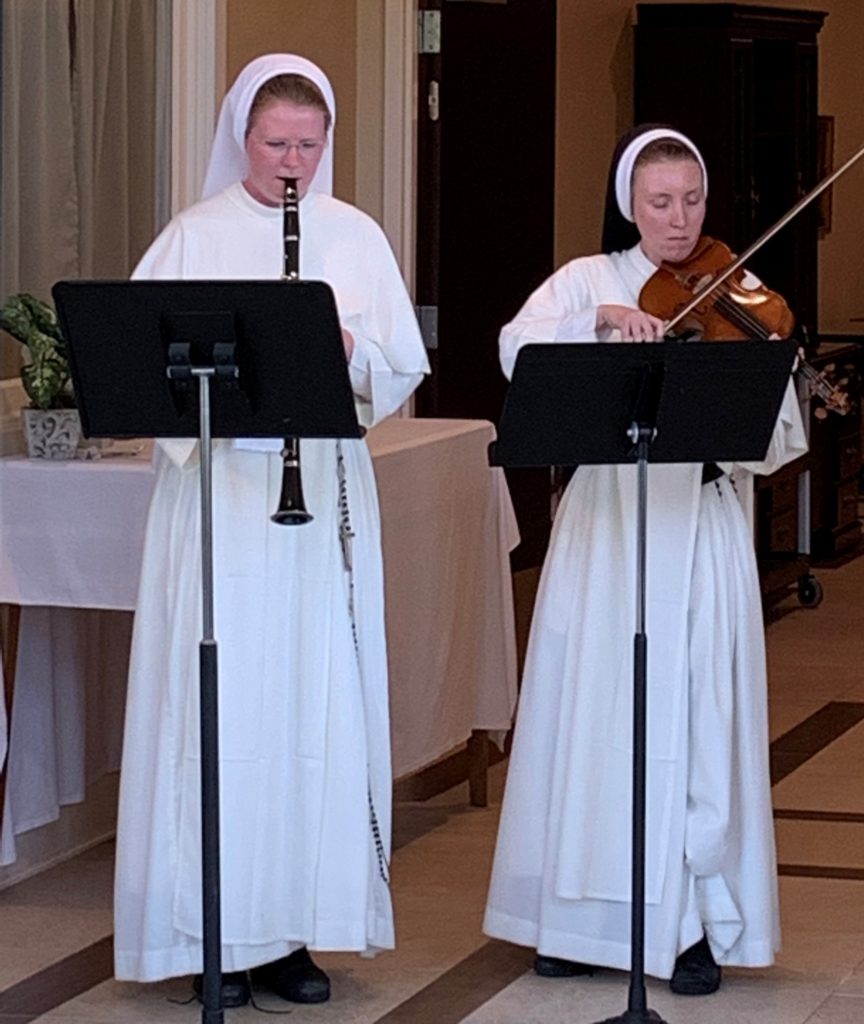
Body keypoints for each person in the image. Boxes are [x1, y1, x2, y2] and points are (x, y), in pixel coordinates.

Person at [113, 54, 429, 1007]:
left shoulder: (354, 235)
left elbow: (398, 366)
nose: (291, 161)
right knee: (223, 711)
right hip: (220, 500)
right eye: (273, 142)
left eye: (308, 143)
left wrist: (346, 348)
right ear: (240, 140)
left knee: (308, 708)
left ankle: (294, 931)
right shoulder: (194, 234)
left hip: (314, 497)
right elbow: (135, 364)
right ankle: (208, 929)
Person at [483, 125, 807, 995]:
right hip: (611, 531)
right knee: (592, 717)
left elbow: (776, 431)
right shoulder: (589, 278)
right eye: (660, 203)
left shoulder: (743, 291)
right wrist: (598, 318)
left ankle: (692, 922)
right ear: (630, 205)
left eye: (692, 200)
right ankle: (579, 921)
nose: (678, 219)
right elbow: (516, 347)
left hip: (698, 529)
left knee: (695, 724)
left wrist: (774, 368)